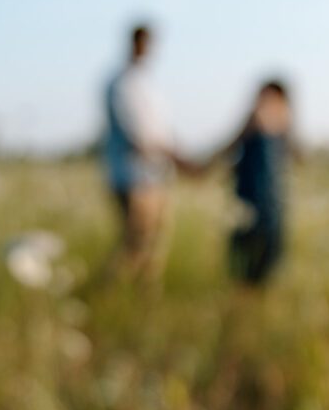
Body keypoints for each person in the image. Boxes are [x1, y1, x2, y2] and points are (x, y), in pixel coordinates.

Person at [102, 24, 189, 279]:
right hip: (133, 177)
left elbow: (163, 131)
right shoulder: (122, 84)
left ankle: (143, 303)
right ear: (133, 43)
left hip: (156, 175)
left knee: (154, 249)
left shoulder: (148, 84)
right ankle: (102, 295)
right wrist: (183, 162)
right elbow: (139, 137)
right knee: (135, 246)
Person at [210, 80, 296, 285]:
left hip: (258, 202)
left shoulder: (264, 119)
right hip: (264, 202)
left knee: (253, 264)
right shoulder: (282, 122)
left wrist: (205, 166)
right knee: (255, 265)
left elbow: (231, 146)